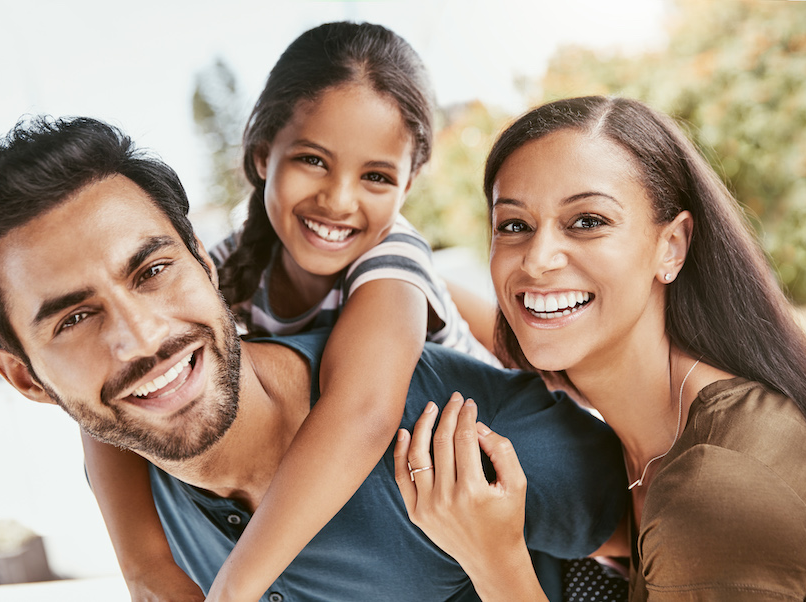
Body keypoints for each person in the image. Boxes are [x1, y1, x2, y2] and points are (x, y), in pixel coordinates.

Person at [0, 115, 628, 601]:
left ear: (207, 267)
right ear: (27, 377)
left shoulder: (467, 444)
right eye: (77, 317)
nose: (141, 338)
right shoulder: (133, 470)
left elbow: (686, 559)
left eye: (151, 272)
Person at [79, 21, 494, 602]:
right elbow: (110, 396)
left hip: (483, 487)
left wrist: (235, 588)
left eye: (376, 176)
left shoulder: (394, 260)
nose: (339, 199)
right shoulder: (214, 265)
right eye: (313, 160)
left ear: (408, 185)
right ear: (260, 153)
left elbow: (363, 413)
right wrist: (147, 571)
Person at [396, 96, 806, 600]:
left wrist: (494, 558)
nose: (537, 260)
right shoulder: (649, 433)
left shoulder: (719, 487)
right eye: (514, 225)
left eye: (588, 221)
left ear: (671, 246)